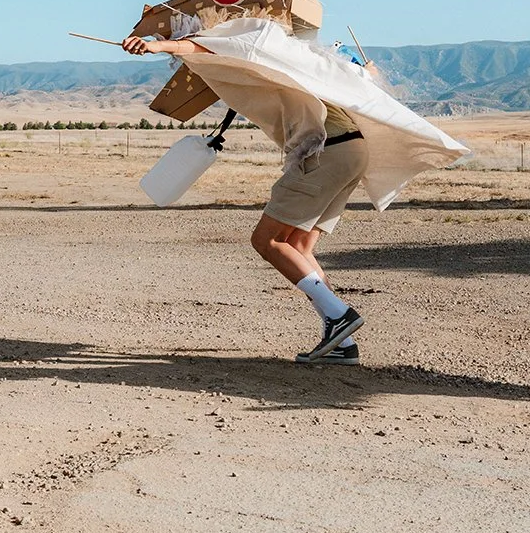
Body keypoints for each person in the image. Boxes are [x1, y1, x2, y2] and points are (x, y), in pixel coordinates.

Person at [123, 19, 466, 365]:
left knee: (267, 240)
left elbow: (214, 46)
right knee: (299, 247)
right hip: (351, 151)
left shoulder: (260, 41)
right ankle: (341, 343)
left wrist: (158, 45)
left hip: (325, 151)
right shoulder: (301, 56)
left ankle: (339, 315)